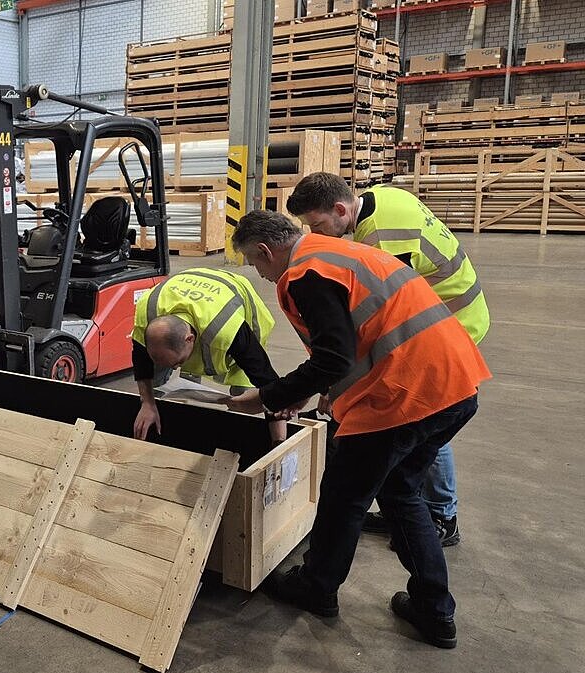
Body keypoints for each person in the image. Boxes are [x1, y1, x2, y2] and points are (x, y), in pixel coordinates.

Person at [226, 210, 489, 649]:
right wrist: (311, 391)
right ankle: (435, 610)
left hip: (402, 397)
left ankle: (317, 586)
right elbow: (355, 338)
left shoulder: (306, 273)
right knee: (401, 491)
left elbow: (333, 358)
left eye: (255, 263)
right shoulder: (338, 252)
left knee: (343, 496)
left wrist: (268, 396)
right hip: (453, 388)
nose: (261, 274)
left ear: (266, 251)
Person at [286, 172, 490, 546]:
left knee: (424, 410)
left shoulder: (378, 239)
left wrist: (332, 385)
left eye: (318, 225)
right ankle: (407, 502)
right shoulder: (380, 198)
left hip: (446, 320)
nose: (315, 235)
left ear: (340, 209)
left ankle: (441, 514)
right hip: (449, 308)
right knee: (421, 419)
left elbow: (380, 317)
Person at [131, 267, 284, 442]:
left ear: (190, 339)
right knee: (155, 383)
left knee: (242, 396)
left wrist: (279, 443)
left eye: (178, 363)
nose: (174, 368)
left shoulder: (228, 330)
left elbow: (269, 384)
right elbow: (141, 361)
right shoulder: (147, 313)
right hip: (190, 287)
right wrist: (147, 402)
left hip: (234, 297)